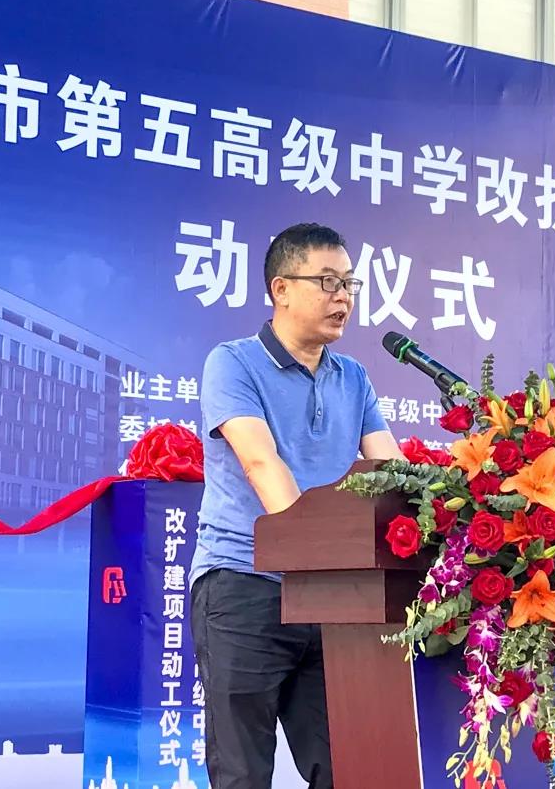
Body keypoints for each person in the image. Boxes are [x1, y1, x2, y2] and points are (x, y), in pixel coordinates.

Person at [189, 223, 403, 788]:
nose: (343, 297)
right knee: (243, 772)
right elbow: (262, 464)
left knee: (345, 769)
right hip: (244, 586)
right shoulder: (233, 363)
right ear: (280, 288)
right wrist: (309, 554)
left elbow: (393, 473)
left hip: (334, 599)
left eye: (349, 284)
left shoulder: (353, 377)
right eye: (327, 282)